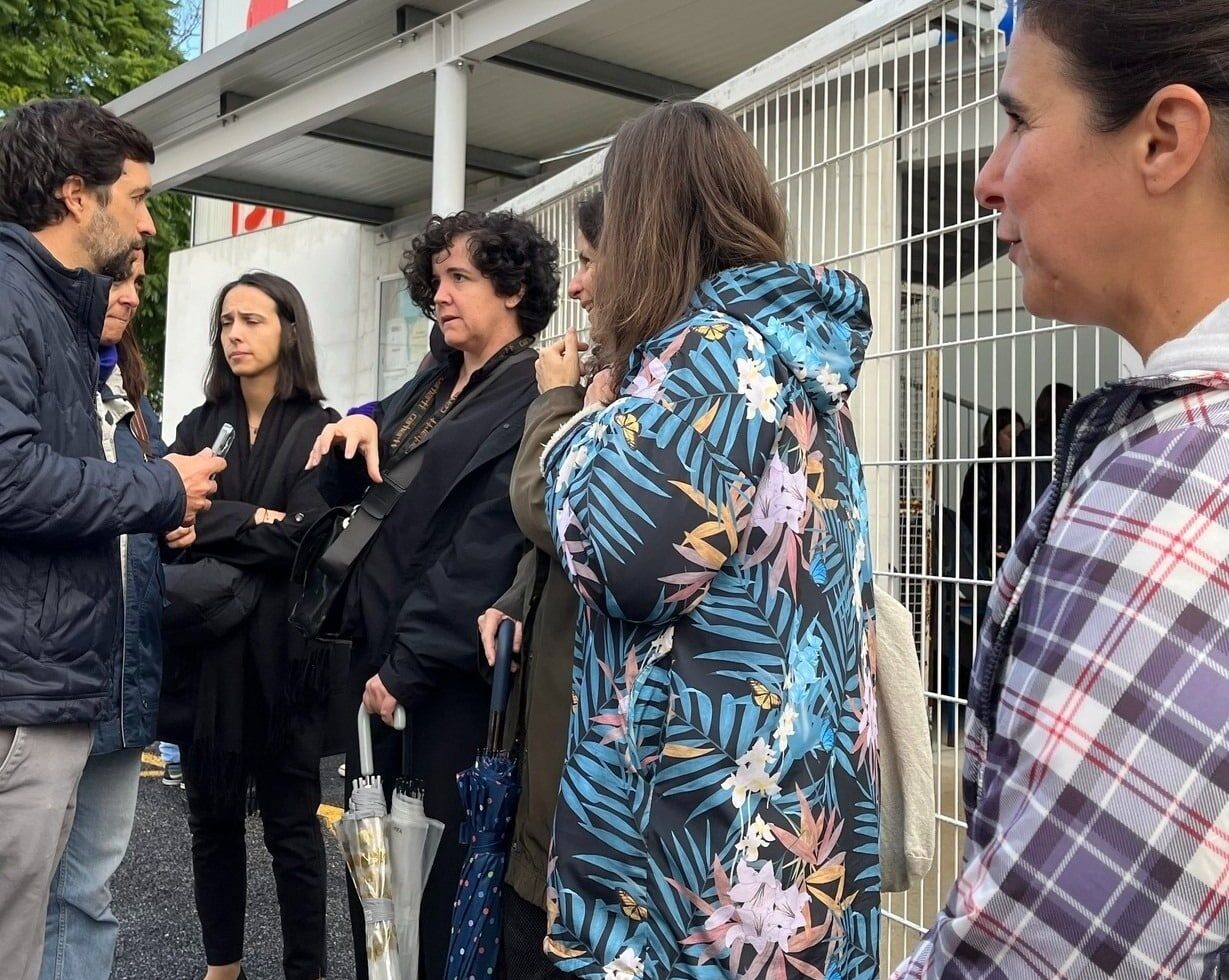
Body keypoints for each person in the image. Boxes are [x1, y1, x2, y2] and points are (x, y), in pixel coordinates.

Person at [894, 1, 1229, 975]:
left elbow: (1037, 949)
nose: (985, 178)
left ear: (1161, 139)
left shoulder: (1195, 483)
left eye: (1016, 121)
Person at [539, 101, 880, 979]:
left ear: (646, 221)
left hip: (697, 859)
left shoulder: (713, 354)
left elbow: (617, 560)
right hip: (786, 818)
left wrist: (581, 429)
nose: (584, 281)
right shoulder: (799, 366)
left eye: (605, 232)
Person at [0, 97, 224, 980]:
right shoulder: (14, 296)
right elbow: (9, 477)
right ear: (72, 196)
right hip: (21, 693)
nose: (147, 218)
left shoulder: (47, 306)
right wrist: (161, 483)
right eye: (135, 196)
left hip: (47, 682)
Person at [306, 210, 559, 979]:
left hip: (442, 684)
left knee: (437, 889)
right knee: (375, 879)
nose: (438, 297)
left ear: (513, 289)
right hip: (377, 667)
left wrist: (408, 664)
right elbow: (379, 495)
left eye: (460, 279)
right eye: (436, 280)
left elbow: (487, 544)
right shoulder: (434, 379)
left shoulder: (528, 391)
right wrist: (355, 429)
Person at [161, 272, 338, 980]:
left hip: (284, 656)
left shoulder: (319, 427)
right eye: (225, 322)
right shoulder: (199, 426)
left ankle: (306, 969)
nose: (234, 334)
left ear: (288, 329)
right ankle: (222, 965)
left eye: (252, 320)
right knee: (211, 823)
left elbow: (307, 536)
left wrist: (216, 521)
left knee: (294, 829)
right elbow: (171, 518)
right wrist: (254, 520)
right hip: (207, 655)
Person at [38, 248, 180, 980]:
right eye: (113, 279)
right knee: (22, 891)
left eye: (134, 282)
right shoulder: (38, 388)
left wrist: (172, 524)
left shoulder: (134, 406)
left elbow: (135, 529)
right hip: (46, 688)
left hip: (123, 688)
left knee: (89, 892)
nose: (126, 296)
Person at [476, 191, 604, 979]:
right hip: (557, 763)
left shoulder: (654, 385)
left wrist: (555, 402)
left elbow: (548, 509)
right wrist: (518, 596)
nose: (581, 288)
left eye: (590, 261)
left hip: (595, 812)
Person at [1003, 382, 1074, 540]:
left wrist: (1004, 537)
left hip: (1029, 529)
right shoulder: (1077, 446)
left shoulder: (1026, 441)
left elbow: (1011, 491)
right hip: (1066, 529)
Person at [959, 407, 1023, 578]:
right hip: (991, 551)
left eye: (1020, 436)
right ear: (995, 436)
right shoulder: (982, 469)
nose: (1016, 441)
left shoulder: (1024, 468)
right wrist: (993, 546)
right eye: (1010, 435)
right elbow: (973, 512)